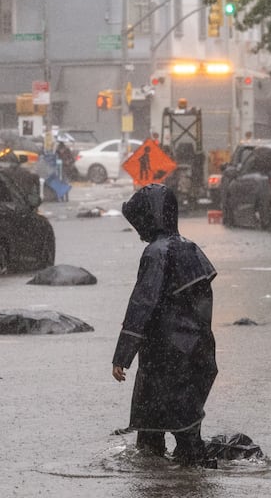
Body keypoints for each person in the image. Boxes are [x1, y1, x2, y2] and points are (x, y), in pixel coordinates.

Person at [112, 183, 218, 466]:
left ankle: (158, 484)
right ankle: (191, 480)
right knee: (187, 431)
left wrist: (122, 357)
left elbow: (142, 305)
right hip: (197, 352)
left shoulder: (156, 253)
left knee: (150, 440)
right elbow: (203, 304)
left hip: (164, 356)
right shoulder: (191, 249)